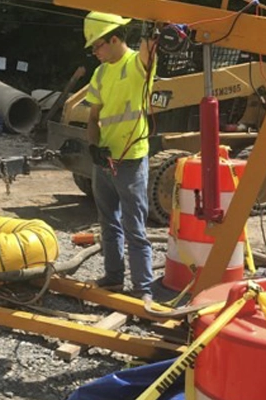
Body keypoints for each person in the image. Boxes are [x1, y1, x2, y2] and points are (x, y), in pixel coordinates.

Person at [83, 11, 157, 302]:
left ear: (114, 39)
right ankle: (113, 278)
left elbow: (149, 48)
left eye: (97, 46)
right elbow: (93, 116)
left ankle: (143, 289)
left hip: (131, 159)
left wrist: (151, 25)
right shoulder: (101, 72)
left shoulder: (136, 64)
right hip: (105, 158)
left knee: (134, 226)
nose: (95, 53)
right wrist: (94, 145)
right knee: (108, 222)